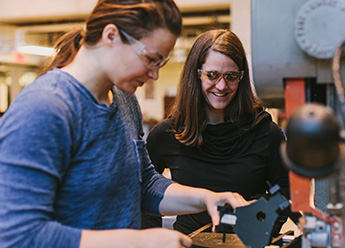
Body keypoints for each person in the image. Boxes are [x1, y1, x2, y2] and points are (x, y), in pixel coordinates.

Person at [0, 1, 249, 248]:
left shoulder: (124, 98)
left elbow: (144, 184)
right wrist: (138, 241)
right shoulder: (45, 108)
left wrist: (206, 198)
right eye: (151, 59)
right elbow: (17, 235)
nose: (155, 75)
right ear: (111, 36)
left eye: (160, 63)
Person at [145, 29, 291, 235]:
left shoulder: (266, 133)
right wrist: (150, 237)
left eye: (231, 76)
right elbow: (144, 193)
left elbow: (286, 196)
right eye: (212, 75)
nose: (222, 86)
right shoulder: (167, 134)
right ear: (195, 75)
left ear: (241, 78)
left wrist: (258, 229)